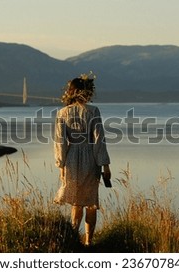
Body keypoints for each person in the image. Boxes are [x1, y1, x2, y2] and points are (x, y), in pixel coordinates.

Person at [53, 72, 111, 246]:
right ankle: (88, 242)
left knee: (76, 202)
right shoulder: (93, 111)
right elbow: (99, 139)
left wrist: (61, 165)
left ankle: (72, 239)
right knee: (91, 202)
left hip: (71, 158)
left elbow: (60, 142)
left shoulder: (62, 113)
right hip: (91, 157)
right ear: (87, 92)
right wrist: (105, 165)